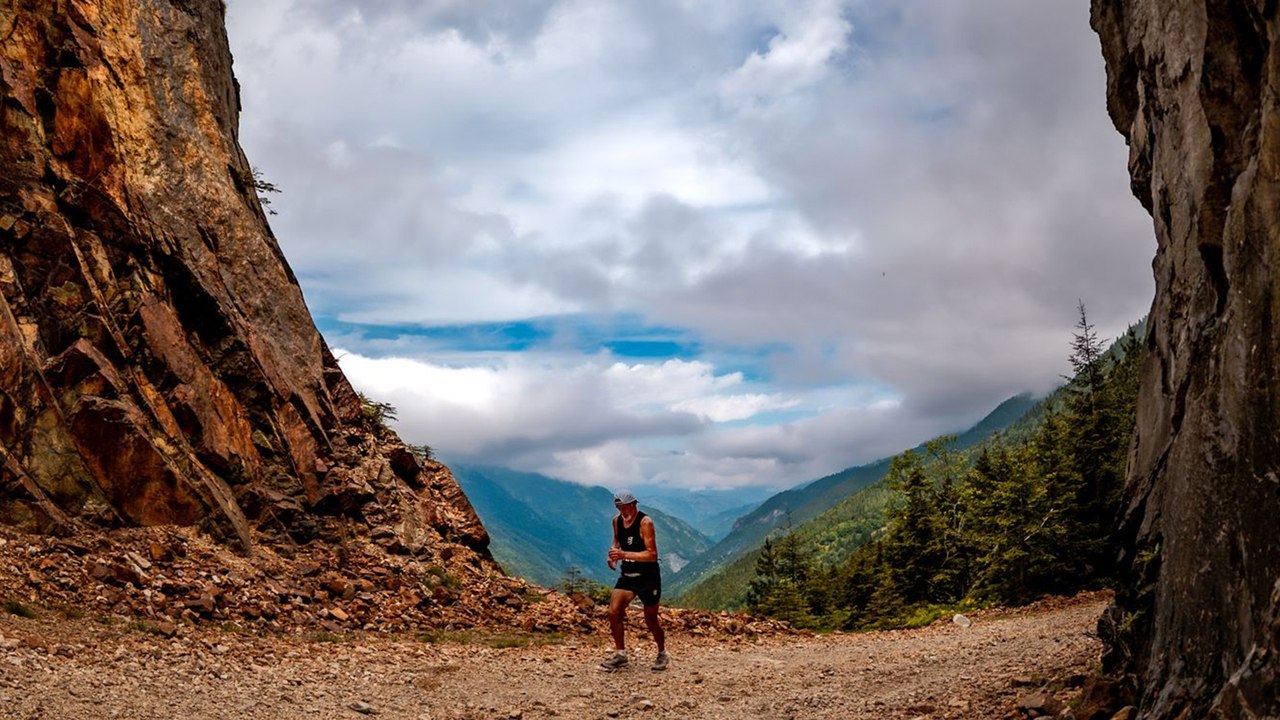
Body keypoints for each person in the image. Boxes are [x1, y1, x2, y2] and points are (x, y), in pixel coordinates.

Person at [599, 490, 668, 671]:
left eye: (624, 506)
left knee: (651, 619)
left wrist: (623, 554)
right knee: (614, 612)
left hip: (648, 577)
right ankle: (620, 654)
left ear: (634, 504)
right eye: (618, 507)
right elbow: (616, 540)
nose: (621, 511)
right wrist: (613, 554)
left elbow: (652, 555)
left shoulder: (645, 523)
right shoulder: (616, 521)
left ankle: (662, 653)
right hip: (628, 575)